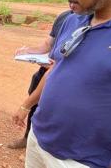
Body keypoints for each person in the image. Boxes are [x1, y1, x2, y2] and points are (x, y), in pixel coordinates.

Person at [26, 0, 111, 167]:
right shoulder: (72, 20)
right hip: (38, 140)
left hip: (80, 161)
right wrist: (27, 106)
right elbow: (55, 68)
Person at [8, 10, 72, 149]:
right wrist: (29, 51)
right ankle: (27, 138)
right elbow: (48, 45)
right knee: (34, 106)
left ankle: (51, 146)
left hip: (64, 79)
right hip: (44, 73)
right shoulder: (64, 17)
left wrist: (57, 64)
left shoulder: (94, 22)